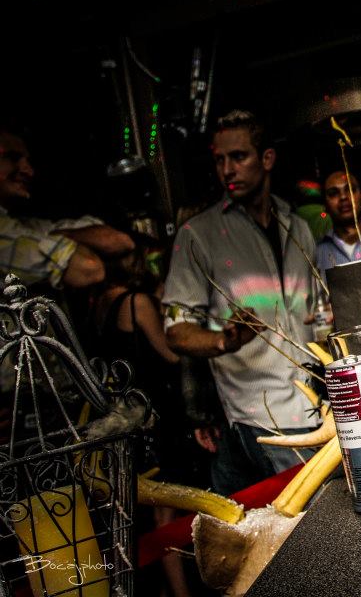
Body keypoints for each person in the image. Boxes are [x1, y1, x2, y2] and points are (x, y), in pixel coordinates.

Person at [162, 110, 318, 495]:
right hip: (259, 415)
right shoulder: (199, 235)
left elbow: (314, 309)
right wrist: (223, 340)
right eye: (220, 160)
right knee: (296, 518)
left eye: (239, 157)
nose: (227, 170)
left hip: (316, 405)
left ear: (267, 158)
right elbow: (176, 331)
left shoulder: (296, 226)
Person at [91, 238, 193, 597]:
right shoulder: (137, 302)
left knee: (143, 511)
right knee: (165, 512)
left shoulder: (101, 303)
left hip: (125, 418)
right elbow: (171, 353)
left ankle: (163, 589)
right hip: (151, 417)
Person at [1, 128, 134, 289]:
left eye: (27, 161)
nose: (29, 171)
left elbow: (118, 241)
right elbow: (89, 268)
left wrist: (60, 235)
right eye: (13, 158)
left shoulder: (23, 226)